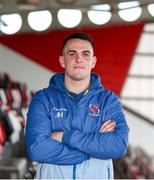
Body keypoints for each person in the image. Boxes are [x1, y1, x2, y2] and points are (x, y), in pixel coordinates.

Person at [25, 32, 129, 179]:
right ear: (62, 61)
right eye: (72, 53)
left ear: (93, 61)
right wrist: (94, 148)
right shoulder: (43, 99)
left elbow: (118, 145)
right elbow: (37, 149)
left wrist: (66, 137)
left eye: (85, 54)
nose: (79, 58)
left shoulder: (108, 100)